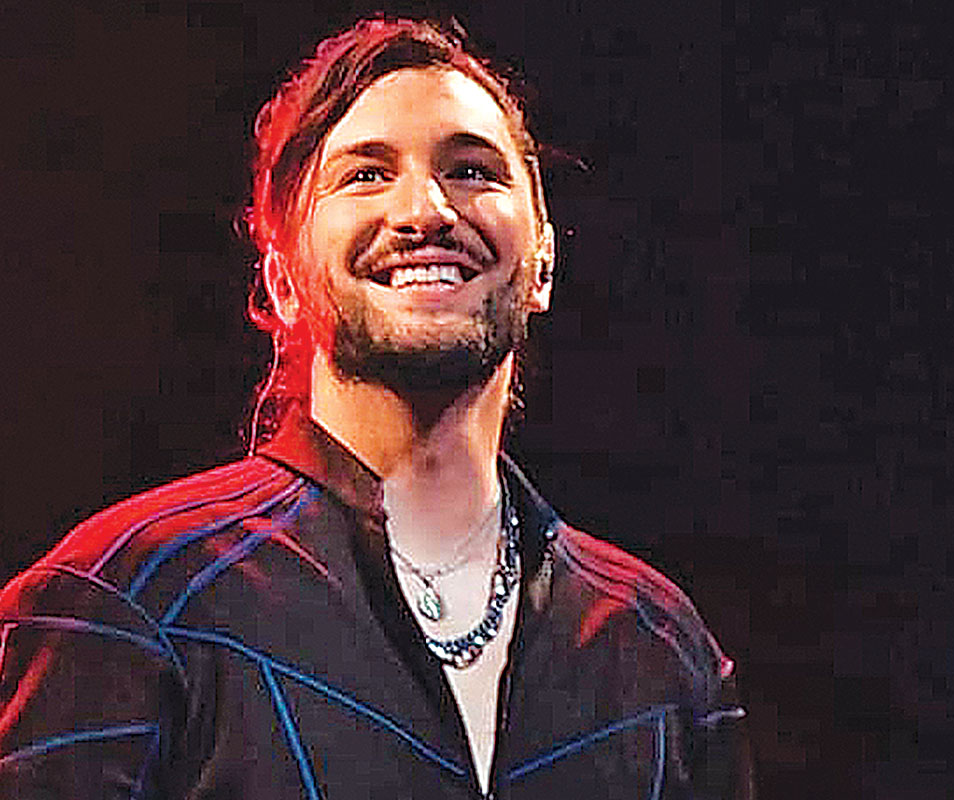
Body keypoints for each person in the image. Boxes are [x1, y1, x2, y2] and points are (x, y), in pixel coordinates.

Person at [0, 18, 751, 799]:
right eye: (365, 174)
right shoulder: (127, 602)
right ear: (282, 280)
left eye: (471, 170)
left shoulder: (663, 654)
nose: (425, 211)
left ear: (543, 265)